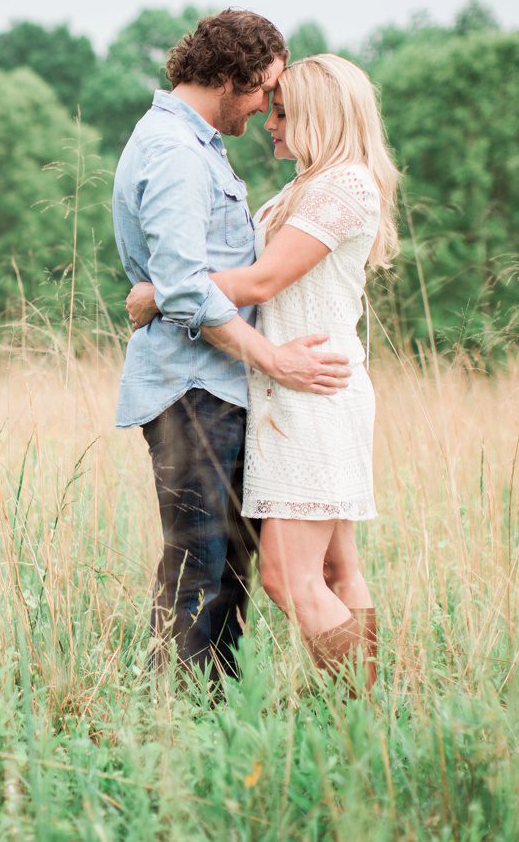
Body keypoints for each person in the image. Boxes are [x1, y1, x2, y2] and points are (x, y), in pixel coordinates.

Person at [126, 53, 399, 695]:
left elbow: (265, 279)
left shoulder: (342, 188)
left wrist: (161, 292)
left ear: (319, 117)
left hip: (310, 387)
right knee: (336, 565)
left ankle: (362, 709)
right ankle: (369, 714)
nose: (270, 123)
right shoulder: (312, 184)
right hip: (303, 384)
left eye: (283, 112)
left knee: (285, 575)